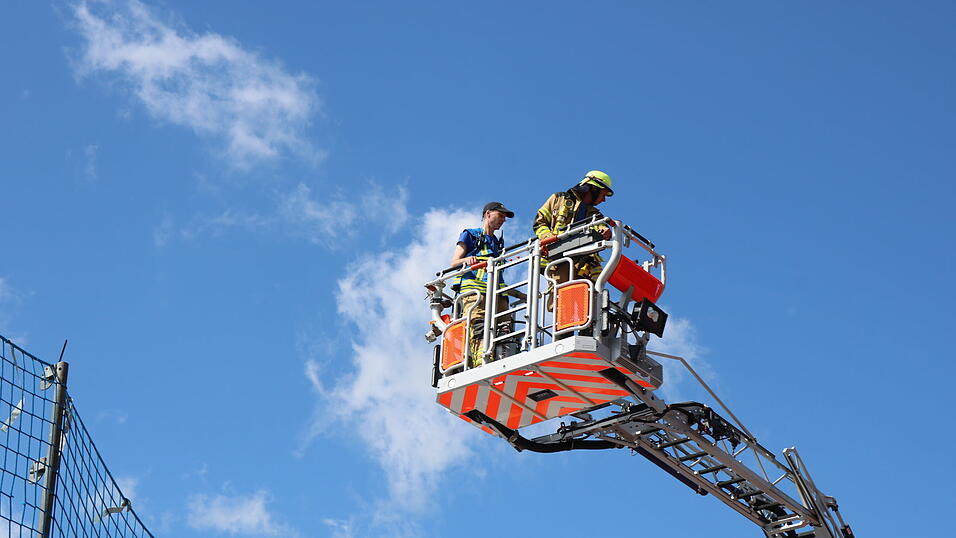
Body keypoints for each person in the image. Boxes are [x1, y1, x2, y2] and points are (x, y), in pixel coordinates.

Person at [450, 202, 523, 367]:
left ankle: (503, 364)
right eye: (501, 215)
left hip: (498, 297)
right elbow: (454, 262)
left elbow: (498, 280)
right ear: (488, 213)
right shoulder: (471, 235)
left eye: (505, 217)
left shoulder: (497, 244)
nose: (503, 220)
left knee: (505, 331)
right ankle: (480, 365)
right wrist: (466, 260)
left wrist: (520, 295)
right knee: (479, 330)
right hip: (476, 295)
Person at [533, 170, 615, 305]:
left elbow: (601, 228)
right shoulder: (559, 199)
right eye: (603, 194)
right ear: (593, 188)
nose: (604, 199)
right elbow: (539, 222)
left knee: (592, 296)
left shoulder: (595, 214)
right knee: (561, 297)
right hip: (558, 257)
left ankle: (588, 323)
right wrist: (549, 239)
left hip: (585, 263)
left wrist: (606, 231)